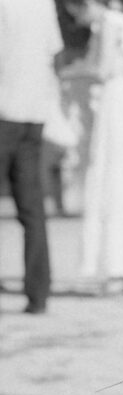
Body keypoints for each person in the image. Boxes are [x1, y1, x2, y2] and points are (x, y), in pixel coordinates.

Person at [63, 0, 123, 295]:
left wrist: (68, 73)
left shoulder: (110, 24)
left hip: (120, 105)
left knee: (114, 183)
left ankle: (117, 268)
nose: (76, 20)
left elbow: (103, 68)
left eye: (75, 12)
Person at [0, 0, 64, 315]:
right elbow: (53, 53)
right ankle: (38, 294)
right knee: (32, 210)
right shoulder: (43, 3)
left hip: (4, 108)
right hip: (33, 112)